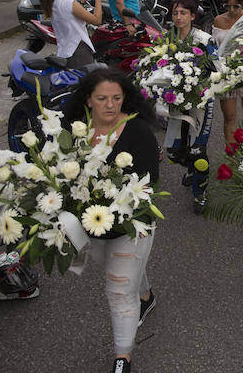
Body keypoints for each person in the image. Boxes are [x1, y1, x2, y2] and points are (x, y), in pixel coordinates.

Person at [62, 67, 159, 373]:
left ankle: (122, 357)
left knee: (118, 289)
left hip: (132, 224)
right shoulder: (74, 131)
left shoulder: (138, 131)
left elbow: (149, 184)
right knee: (118, 270)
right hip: (93, 229)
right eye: (102, 98)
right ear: (88, 100)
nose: (110, 105)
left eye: (117, 98)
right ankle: (146, 295)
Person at [167, 0, 216, 215]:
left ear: (192, 16)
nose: (178, 17)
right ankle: (189, 168)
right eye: (175, 12)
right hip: (176, 104)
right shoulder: (167, 38)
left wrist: (203, 85)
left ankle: (200, 193)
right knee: (175, 151)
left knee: (198, 152)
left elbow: (219, 69)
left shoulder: (205, 39)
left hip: (202, 102)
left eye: (183, 13)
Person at [211, 0, 243, 144]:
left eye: (235, 6)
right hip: (225, 74)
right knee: (229, 117)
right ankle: (232, 158)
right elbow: (214, 48)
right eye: (227, 6)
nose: (231, 11)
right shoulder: (218, 20)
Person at [38, 0, 102, 68]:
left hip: (65, 51)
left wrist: (82, 0)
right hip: (78, 52)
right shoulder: (69, 2)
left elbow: (70, 17)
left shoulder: (54, 1)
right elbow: (97, 20)